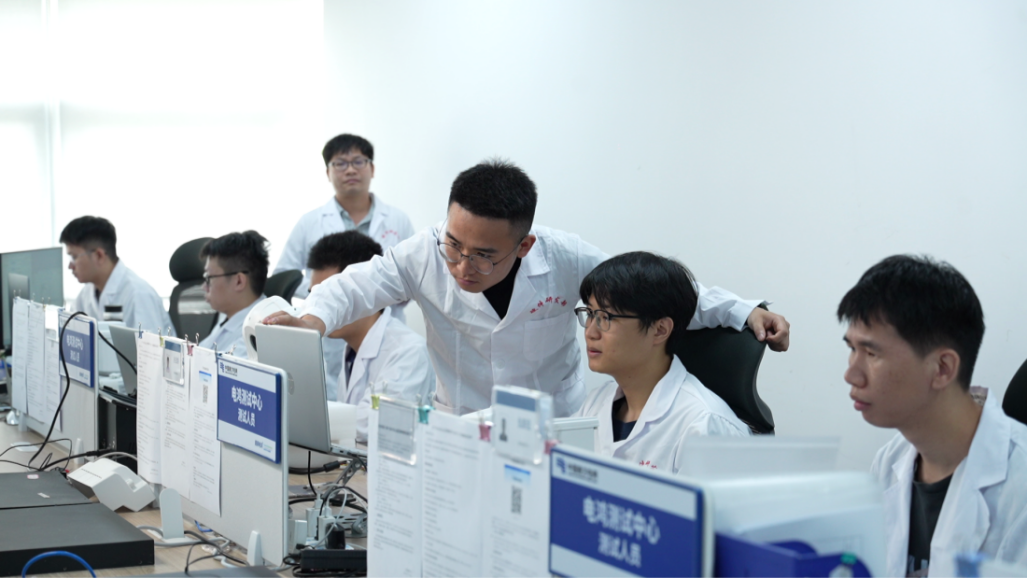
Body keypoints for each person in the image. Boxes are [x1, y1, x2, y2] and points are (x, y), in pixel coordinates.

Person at [267, 159, 790, 417]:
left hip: (551, 425)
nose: (463, 266)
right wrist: (312, 318)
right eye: (454, 244)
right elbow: (357, 285)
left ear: (524, 245)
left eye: (484, 255)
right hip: (464, 422)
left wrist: (744, 311)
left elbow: (649, 290)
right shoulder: (424, 252)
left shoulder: (564, 258)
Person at [838, 255, 1027, 577]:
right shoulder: (889, 461)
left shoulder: (1019, 487)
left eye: (871, 353)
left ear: (942, 368)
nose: (851, 374)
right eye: (851, 349)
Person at [573, 252, 750, 473]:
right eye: (590, 314)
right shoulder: (595, 402)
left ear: (660, 330)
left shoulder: (704, 426)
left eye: (606, 317)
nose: (590, 332)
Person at [307, 231, 435, 442]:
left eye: (330, 299)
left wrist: (302, 419)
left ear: (360, 291)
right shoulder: (351, 349)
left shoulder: (409, 352)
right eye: (315, 297)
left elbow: (373, 424)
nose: (320, 309)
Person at [274, 133, 416, 297]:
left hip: (386, 311)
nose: (350, 170)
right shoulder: (309, 222)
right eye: (340, 163)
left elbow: (414, 272)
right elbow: (283, 275)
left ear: (372, 169)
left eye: (358, 162)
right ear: (328, 173)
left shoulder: (398, 220)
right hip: (325, 312)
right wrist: (321, 291)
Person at [61, 216, 173, 334]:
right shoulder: (85, 294)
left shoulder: (138, 294)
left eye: (74, 257)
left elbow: (150, 344)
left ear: (99, 255)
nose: (70, 266)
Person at [198, 231, 269, 354]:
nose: (204, 286)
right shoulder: (229, 317)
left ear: (239, 281)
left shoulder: (259, 332)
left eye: (209, 277)